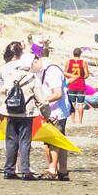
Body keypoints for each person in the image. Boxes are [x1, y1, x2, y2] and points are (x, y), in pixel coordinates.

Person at [0, 41, 49, 181]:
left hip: (10, 112)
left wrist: (1, 110)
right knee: (25, 142)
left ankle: (9, 170)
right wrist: (46, 114)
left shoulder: (11, 76)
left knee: (10, 141)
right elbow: (41, 100)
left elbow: (1, 93)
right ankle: (25, 170)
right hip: (27, 113)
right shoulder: (32, 78)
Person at [32, 43, 72, 181]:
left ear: (38, 57)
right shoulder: (45, 69)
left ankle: (53, 169)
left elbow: (58, 93)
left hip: (57, 111)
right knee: (59, 140)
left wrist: (41, 101)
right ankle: (63, 170)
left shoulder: (51, 70)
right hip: (54, 110)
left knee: (53, 141)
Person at [65, 47, 90, 126]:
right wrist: (82, 78)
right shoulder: (83, 62)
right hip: (80, 84)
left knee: (72, 103)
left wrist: (70, 78)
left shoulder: (69, 62)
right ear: (80, 54)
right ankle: (80, 121)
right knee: (80, 104)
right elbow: (87, 74)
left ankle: (72, 121)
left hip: (71, 84)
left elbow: (65, 72)